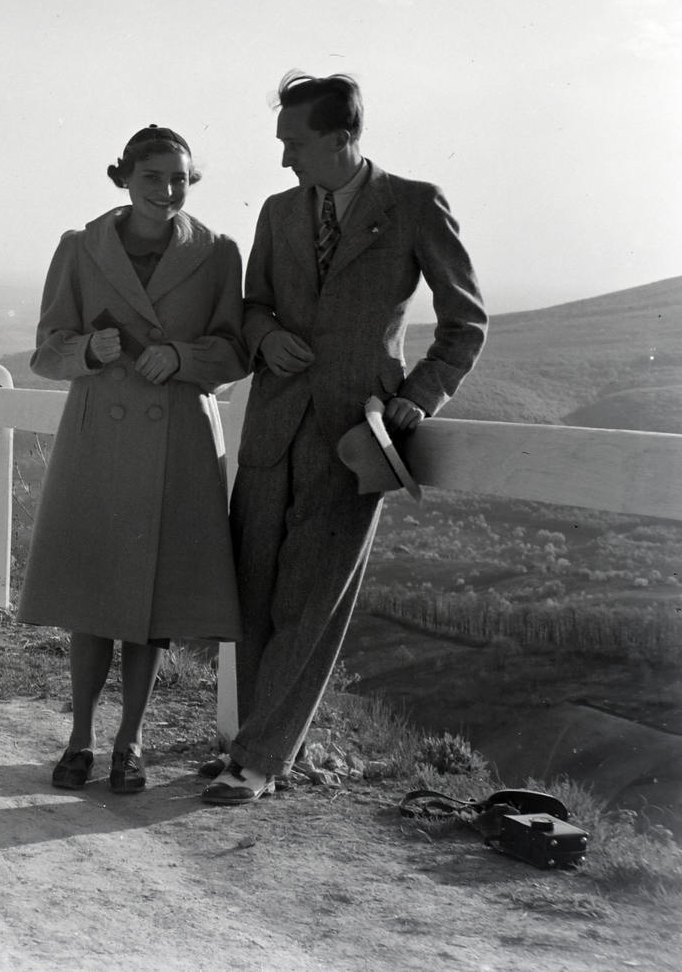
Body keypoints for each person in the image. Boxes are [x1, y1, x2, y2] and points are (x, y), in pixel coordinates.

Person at [202, 73, 487, 805]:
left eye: (294, 143)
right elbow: (252, 304)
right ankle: (250, 742)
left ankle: (259, 760)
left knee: (313, 599)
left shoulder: (415, 205)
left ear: (340, 138)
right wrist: (266, 335)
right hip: (272, 426)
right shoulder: (276, 211)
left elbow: (466, 322)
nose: (285, 159)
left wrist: (419, 396)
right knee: (253, 587)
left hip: (355, 437)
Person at [18, 124, 250, 795]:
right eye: (153, 177)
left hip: (177, 435)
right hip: (100, 439)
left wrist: (181, 357)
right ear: (124, 177)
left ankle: (132, 742)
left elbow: (236, 351)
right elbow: (46, 348)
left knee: (150, 604)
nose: (168, 191)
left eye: (179, 178)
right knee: (92, 597)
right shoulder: (80, 248)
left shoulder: (217, 253)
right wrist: (91, 350)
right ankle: (81, 736)